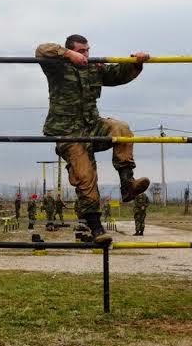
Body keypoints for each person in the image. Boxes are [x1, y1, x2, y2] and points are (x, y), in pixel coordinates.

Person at [36, 35, 150, 244]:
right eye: (81, 51)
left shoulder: (93, 68)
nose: (86, 54)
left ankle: (127, 183)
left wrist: (136, 63)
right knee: (86, 176)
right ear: (70, 50)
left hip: (92, 125)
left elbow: (117, 75)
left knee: (120, 128)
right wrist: (68, 55)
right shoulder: (57, 67)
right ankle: (96, 228)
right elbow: (42, 49)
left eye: (87, 50)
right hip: (69, 132)